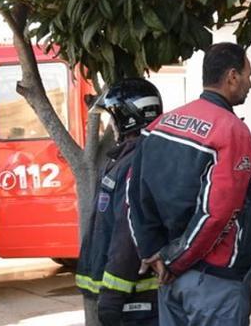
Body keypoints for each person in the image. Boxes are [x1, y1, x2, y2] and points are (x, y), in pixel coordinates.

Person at [127, 43, 251, 326]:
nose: (250, 83)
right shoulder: (231, 130)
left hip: (169, 275)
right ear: (232, 76)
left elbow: (135, 195)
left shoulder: (159, 126)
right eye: (248, 75)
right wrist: (177, 261)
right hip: (213, 280)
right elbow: (217, 214)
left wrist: (153, 253)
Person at [75, 78, 163, 326]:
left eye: (113, 118)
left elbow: (127, 235)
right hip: (131, 298)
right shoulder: (126, 158)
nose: (110, 125)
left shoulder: (137, 163)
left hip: (136, 302)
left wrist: (112, 296)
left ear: (129, 117)